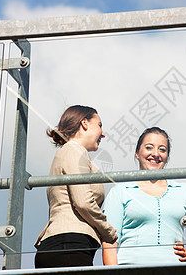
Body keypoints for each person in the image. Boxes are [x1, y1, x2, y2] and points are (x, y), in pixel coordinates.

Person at [102, 127, 186, 265]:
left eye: (162, 149)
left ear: (167, 157)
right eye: (149, 147)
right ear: (137, 153)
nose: (155, 154)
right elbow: (109, 243)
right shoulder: (120, 192)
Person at [34, 105, 118, 268]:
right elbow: (83, 202)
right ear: (84, 123)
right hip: (69, 246)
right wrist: (107, 231)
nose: (103, 133)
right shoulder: (75, 150)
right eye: (99, 125)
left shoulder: (69, 152)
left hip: (66, 245)